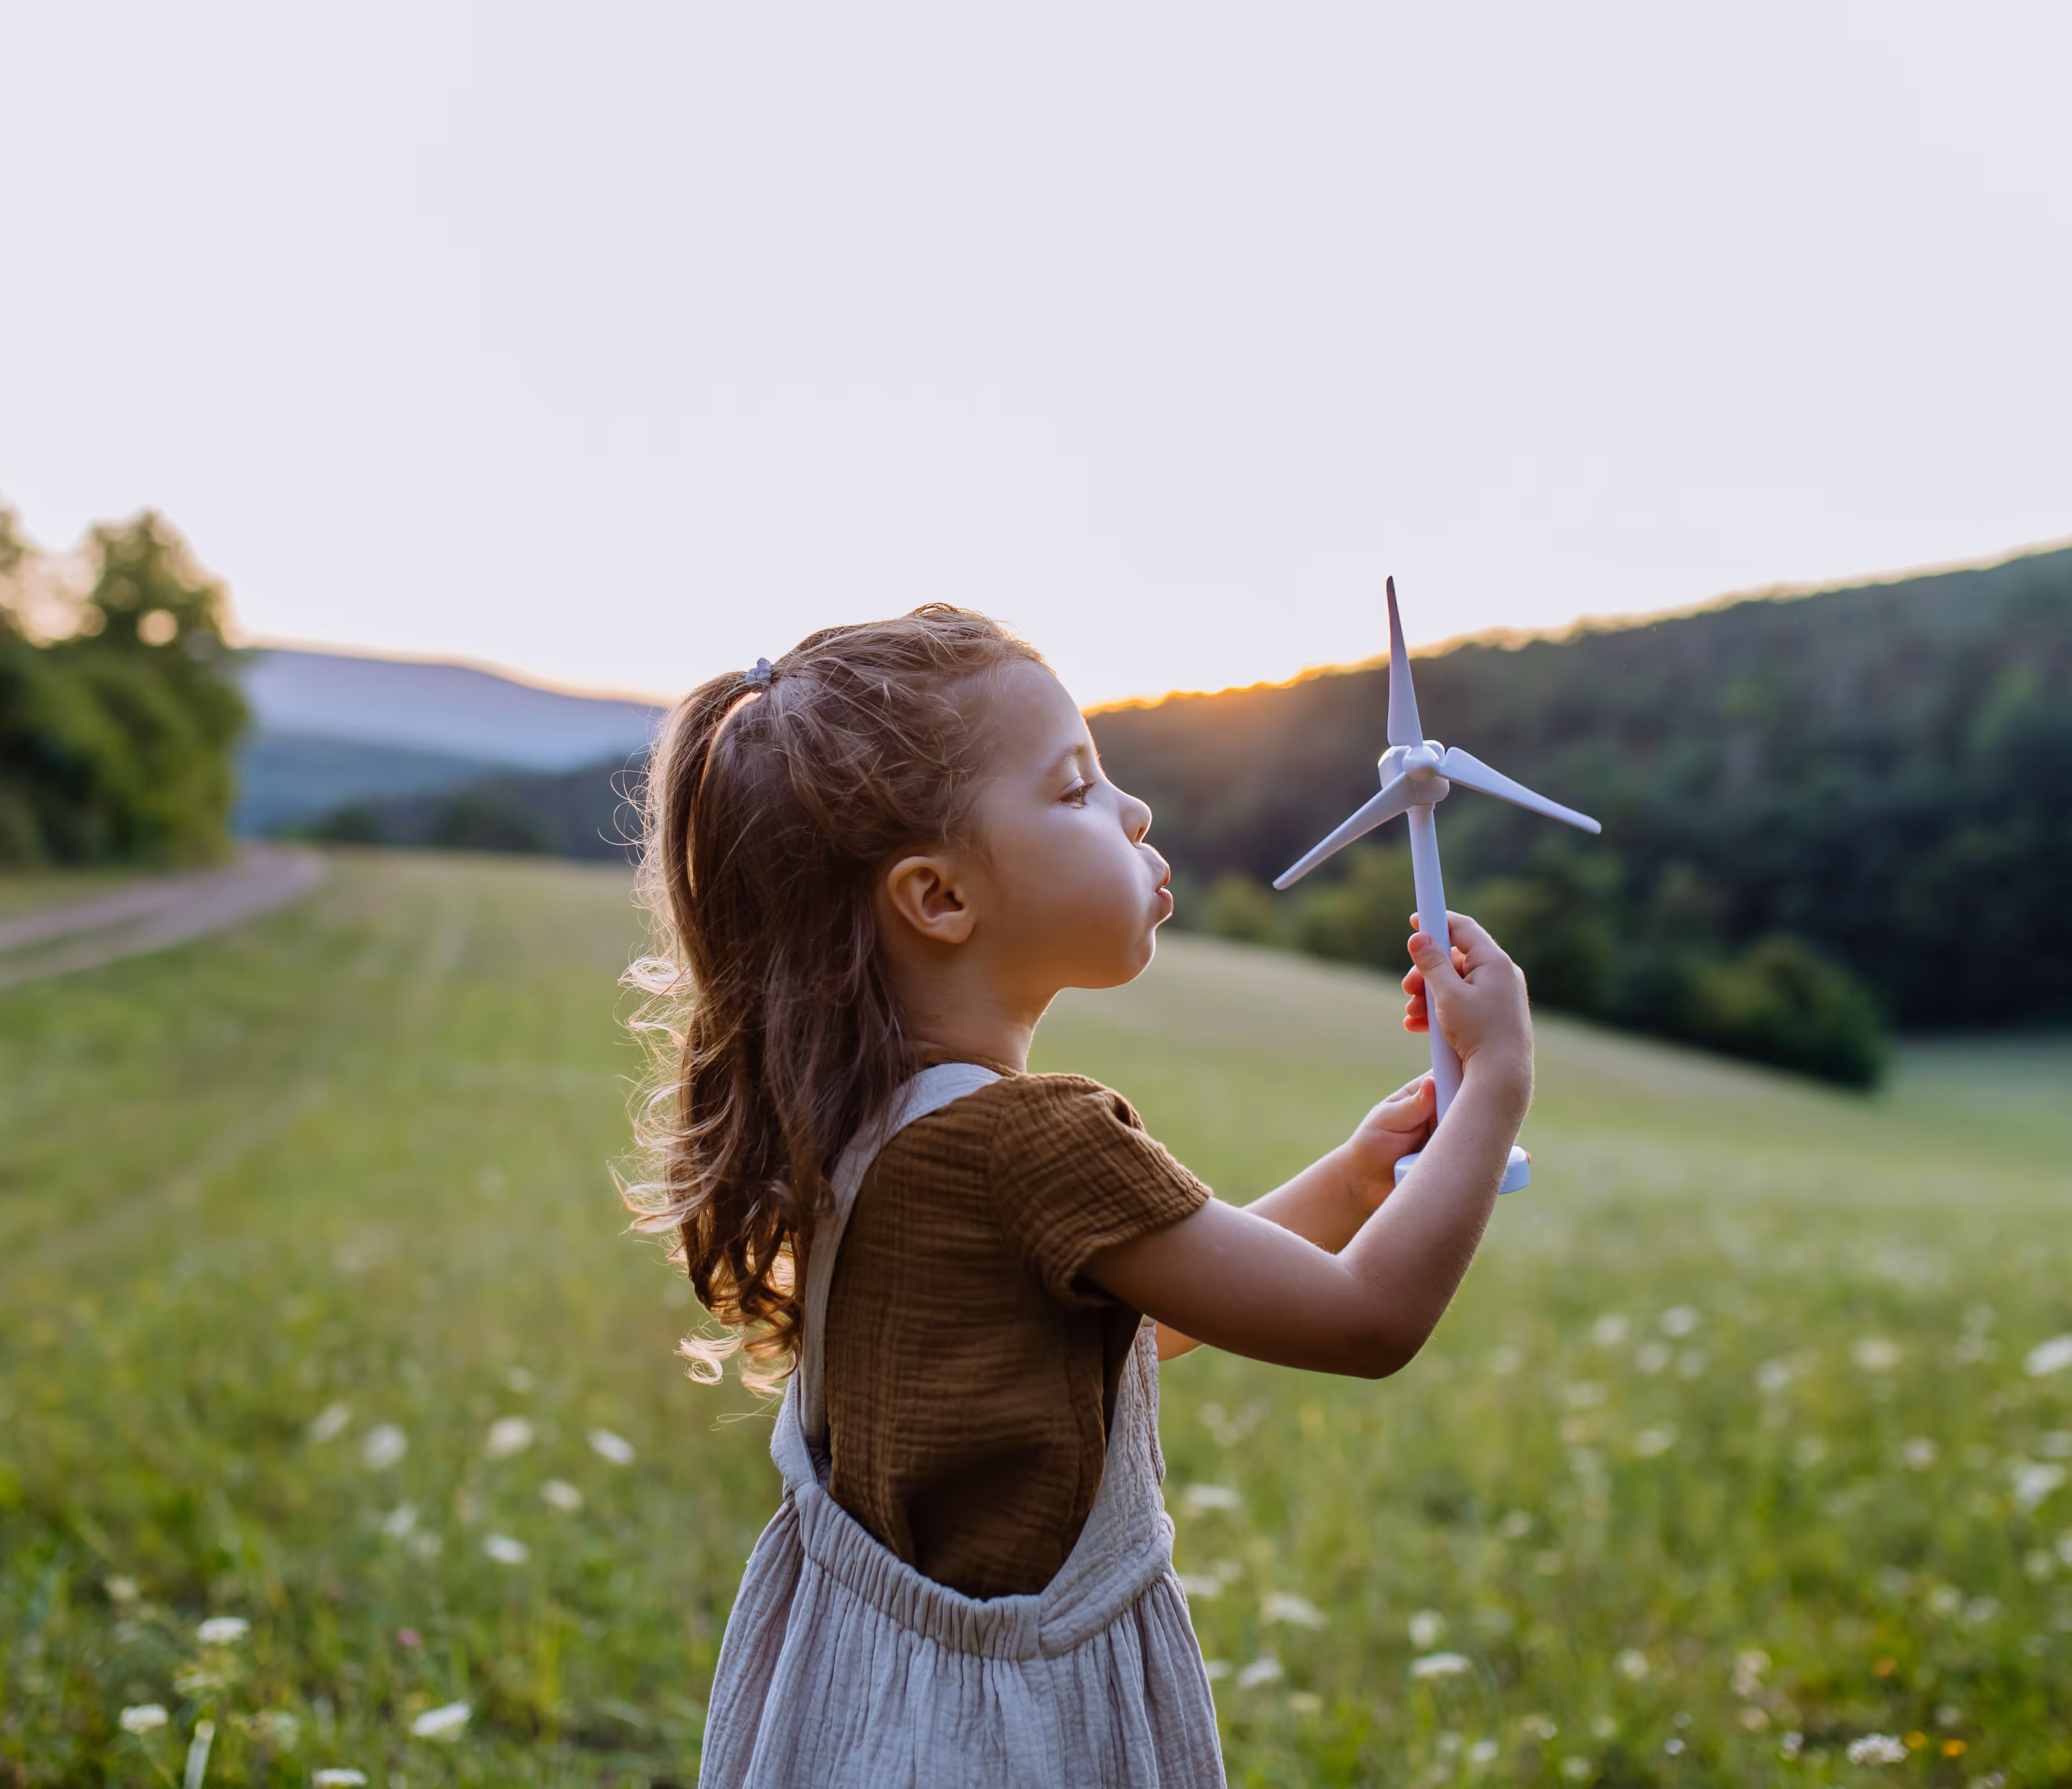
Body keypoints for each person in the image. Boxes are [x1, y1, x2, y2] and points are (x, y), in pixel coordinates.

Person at [621, 606, 1534, 1788]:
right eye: (1075, 788)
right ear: (939, 898)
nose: (1134, 810)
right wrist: (1498, 1084)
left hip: (866, 1705)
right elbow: (1365, 1322)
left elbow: (1122, 1331)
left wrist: (1362, 1179)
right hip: (1004, 1735)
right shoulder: (1034, 1138)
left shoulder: (870, 1120)